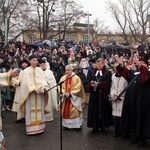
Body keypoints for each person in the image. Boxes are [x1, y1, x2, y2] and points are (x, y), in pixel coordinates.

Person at [12, 55, 50, 135]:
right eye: (34, 60)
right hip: (30, 95)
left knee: (40, 110)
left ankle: (40, 128)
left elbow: (43, 81)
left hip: (40, 95)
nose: (35, 62)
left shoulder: (40, 70)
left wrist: (42, 88)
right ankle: (31, 129)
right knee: (30, 111)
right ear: (30, 61)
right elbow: (25, 84)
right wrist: (33, 89)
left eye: (36, 60)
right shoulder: (26, 71)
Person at [87, 58, 113, 134]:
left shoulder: (107, 73)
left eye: (100, 64)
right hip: (94, 95)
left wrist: (100, 84)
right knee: (94, 111)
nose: (98, 65)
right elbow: (88, 81)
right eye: (97, 64)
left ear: (103, 64)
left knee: (103, 111)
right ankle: (94, 127)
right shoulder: (91, 72)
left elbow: (108, 83)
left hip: (103, 95)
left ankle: (103, 127)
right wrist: (91, 85)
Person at [58, 65, 86, 131]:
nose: (67, 71)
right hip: (65, 98)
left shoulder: (76, 78)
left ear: (72, 70)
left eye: (68, 70)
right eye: (66, 70)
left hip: (74, 98)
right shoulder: (63, 78)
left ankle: (76, 125)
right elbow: (60, 86)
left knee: (75, 111)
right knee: (65, 110)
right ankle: (66, 125)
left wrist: (70, 94)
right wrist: (64, 92)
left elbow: (78, 88)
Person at [110, 62, 128, 138]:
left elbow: (126, 87)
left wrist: (120, 96)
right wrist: (113, 95)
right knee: (116, 117)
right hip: (115, 99)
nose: (115, 69)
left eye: (117, 68)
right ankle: (117, 131)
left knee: (123, 116)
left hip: (122, 99)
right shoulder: (113, 76)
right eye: (114, 68)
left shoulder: (125, 76)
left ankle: (124, 132)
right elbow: (112, 87)